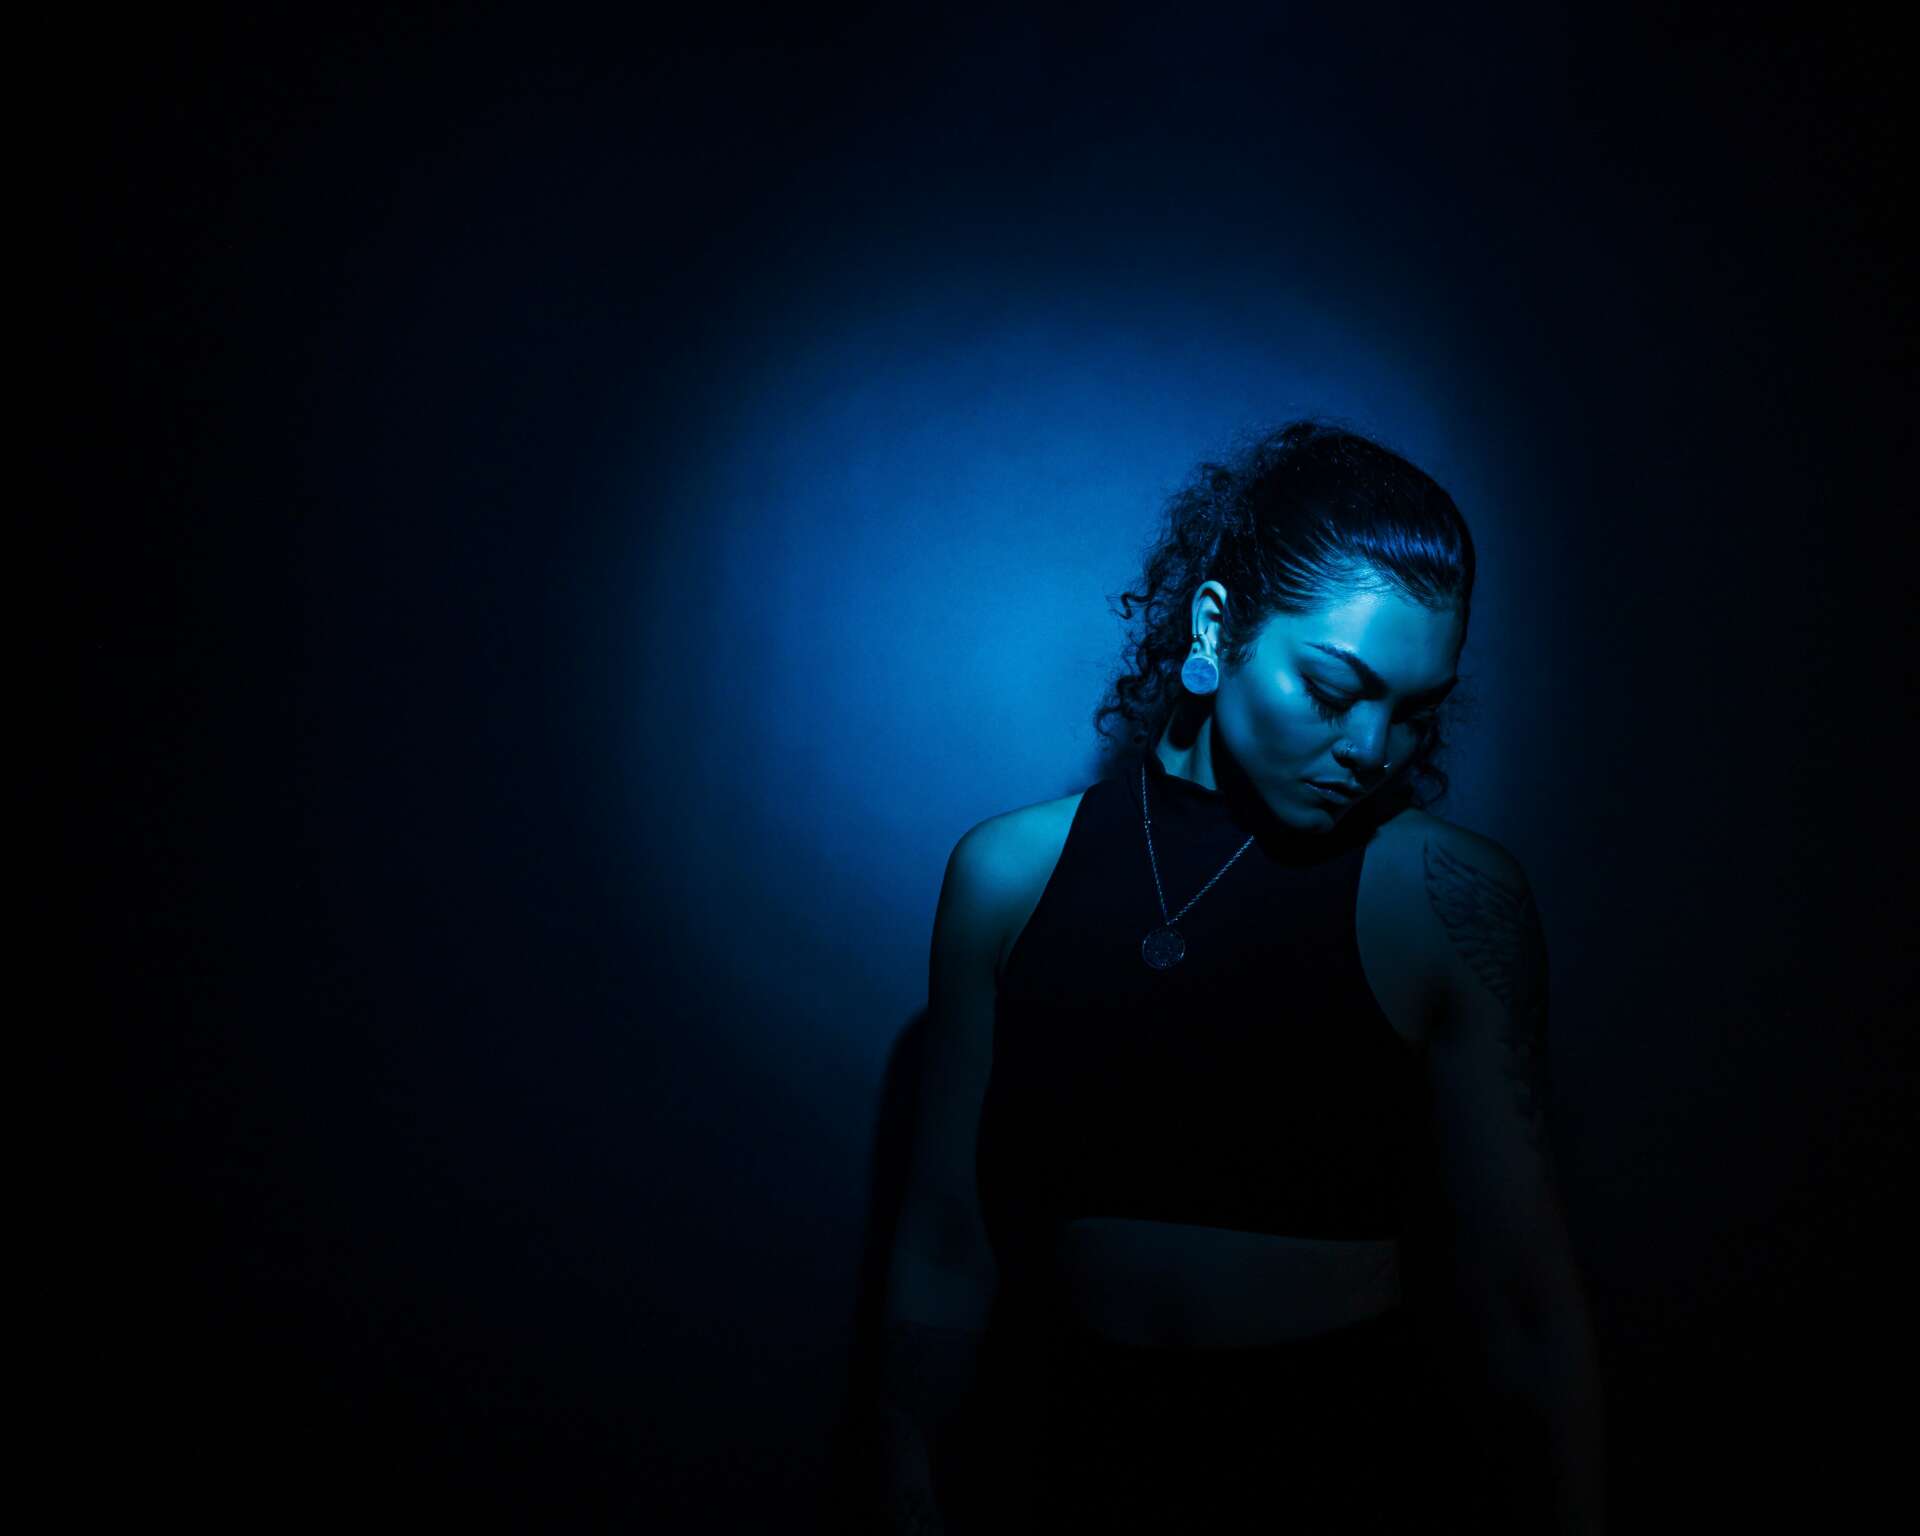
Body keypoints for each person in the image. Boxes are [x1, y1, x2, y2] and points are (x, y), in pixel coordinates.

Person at [873, 420, 1606, 1534]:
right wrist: (903, 1474)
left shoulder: (1446, 899)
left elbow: (1524, 1293)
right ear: (1217, 627)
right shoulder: (1007, 877)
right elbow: (943, 1234)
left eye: (1415, 712)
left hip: (1346, 1472)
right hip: (1059, 1458)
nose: (1372, 749)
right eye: (1334, 688)